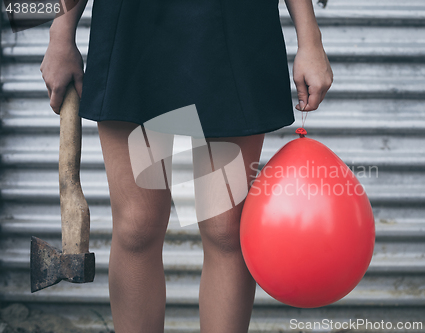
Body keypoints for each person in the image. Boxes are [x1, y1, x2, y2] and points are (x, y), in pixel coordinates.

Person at [40, 0, 333, 332]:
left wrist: (310, 39)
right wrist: (60, 33)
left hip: (228, 25)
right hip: (137, 29)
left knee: (224, 230)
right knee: (138, 229)